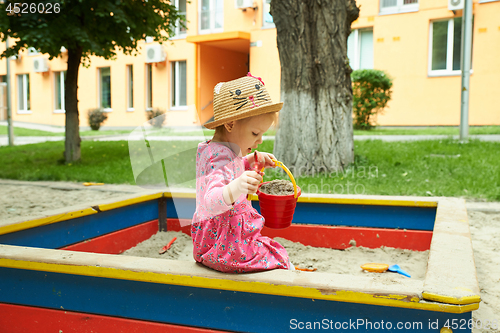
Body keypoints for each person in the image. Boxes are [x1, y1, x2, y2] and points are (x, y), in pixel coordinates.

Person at [191, 73, 294, 273]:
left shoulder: (222, 150)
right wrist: (238, 186)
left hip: (218, 240)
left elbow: (230, 169)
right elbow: (211, 200)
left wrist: (249, 161)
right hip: (224, 247)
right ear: (230, 124)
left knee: (271, 250)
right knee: (277, 256)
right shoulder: (218, 158)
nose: (260, 140)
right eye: (255, 133)